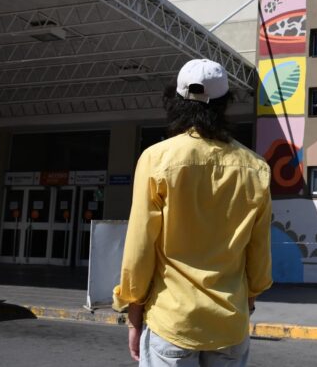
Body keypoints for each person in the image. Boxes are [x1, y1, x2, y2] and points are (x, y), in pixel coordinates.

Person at [112, 58, 272, 367]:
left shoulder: (156, 159)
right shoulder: (256, 167)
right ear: (225, 103)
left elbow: (140, 247)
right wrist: (248, 300)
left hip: (172, 320)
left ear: (177, 100)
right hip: (230, 322)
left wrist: (134, 313)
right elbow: (259, 251)